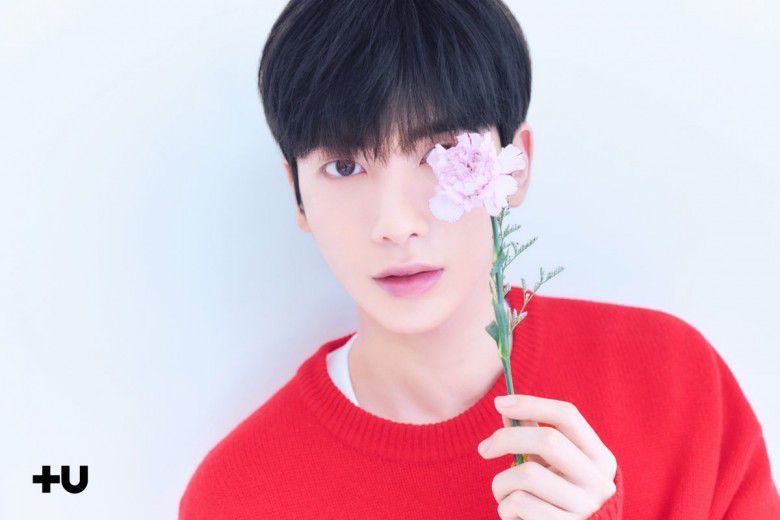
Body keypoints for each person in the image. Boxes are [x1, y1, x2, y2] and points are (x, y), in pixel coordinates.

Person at [179, 1, 779, 518]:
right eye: (344, 166)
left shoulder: (675, 386)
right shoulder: (236, 499)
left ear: (515, 166)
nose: (397, 224)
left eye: (441, 150)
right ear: (297, 194)